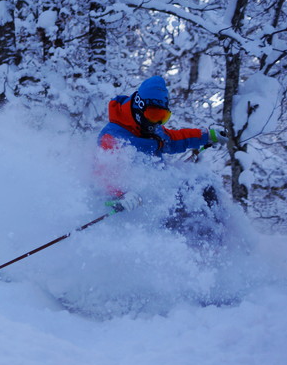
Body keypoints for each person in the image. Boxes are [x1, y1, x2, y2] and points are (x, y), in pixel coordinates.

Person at [96, 76, 228, 244]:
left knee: (204, 187)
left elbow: (174, 139)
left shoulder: (151, 129)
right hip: (138, 206)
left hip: (163, 194)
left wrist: (206, 135)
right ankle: (192, 249)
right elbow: (102, 173)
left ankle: (218, 245)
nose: (157, 122)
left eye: (163, 116)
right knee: (186, 205)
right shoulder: (114, 136)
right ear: (139, 107)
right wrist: (120, 194)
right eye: (154, 114)